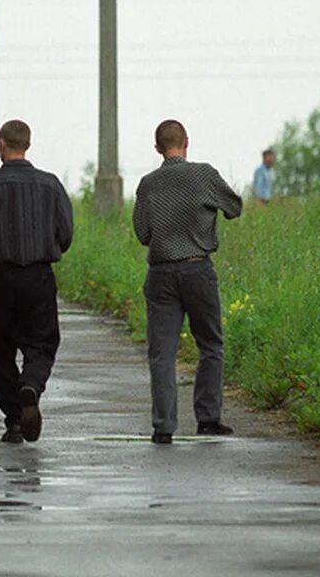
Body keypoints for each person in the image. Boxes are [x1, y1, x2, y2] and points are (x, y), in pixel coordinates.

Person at [132, 119, 242, 445]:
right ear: (187, 142)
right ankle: (208, 419)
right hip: (198, 270)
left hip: (161, 274)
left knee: (162, 352)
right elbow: (234, 207)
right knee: (210, 345)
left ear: (157, 148)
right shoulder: (203, 174)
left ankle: (163, 426)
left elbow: (143, 234)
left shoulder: (148, 184)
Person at [0, 119, 74, 444]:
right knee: (42, 342)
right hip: (39, 274)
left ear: (1, 144)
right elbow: (65, 232)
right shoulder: (51, 184)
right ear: (28, 144)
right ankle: (31, 385)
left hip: (2, 275)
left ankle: (13, 419)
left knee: (1, 347)